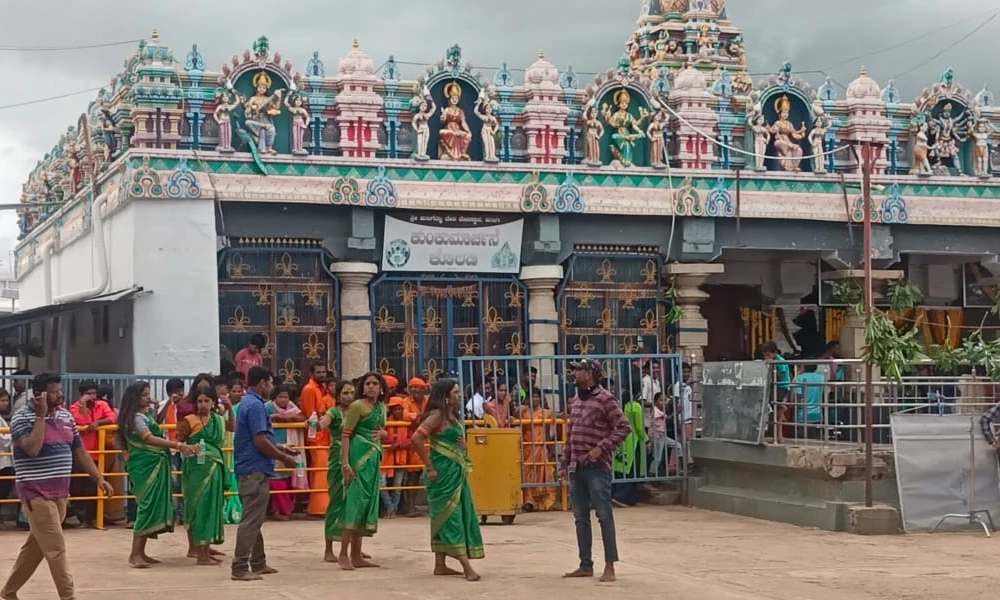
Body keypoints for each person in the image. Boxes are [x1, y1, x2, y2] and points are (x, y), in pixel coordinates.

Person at [2, 372, 113, 600]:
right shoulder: (22, 418)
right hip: (36, 493)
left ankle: (9, 591)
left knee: (36, 547)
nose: (59, 395)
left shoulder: (65, 416)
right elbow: (32, 449)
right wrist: (41, 417)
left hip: (61, 492)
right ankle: (68, 596)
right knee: (55, 548)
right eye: (53, 392)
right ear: (39, 394)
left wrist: (98, 477)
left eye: (59, 390)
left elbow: (79, 450)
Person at [560, 359, 632, 584]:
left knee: (603, 515)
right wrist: (565, 463)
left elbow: (624, 427)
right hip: (577, 467)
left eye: (579, 370)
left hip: (597, 467)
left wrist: (600, 449)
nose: (575, 374)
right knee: (580, 517)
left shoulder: (605, 399)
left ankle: (610, 565)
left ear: (590, 373)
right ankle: (585, 564)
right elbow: (571, 434)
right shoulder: (576, 400)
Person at [410, 378, 484, 582]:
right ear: (445, 396)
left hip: (455, 471)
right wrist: (430, 466)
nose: (459, 396)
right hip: (441, 473)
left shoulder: (453, 416)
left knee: (454, 514)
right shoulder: (436, 416)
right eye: (456, 392)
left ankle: (440, 564)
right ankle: (465, 565)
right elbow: (416, 438)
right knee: (449, 516)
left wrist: (464, 446)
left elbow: (452, 440)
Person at [118, 381, 197, 568]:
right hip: (145, 466)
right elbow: (148, 437)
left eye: (148, 394)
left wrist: (167, 404)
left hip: (153, 463)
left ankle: (141, 552)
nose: (148, 398)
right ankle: (135, 553)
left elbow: (156, 425)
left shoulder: (144, 415)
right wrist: (178, 445)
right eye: (144, 395)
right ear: (135, 398)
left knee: (151, 505)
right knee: (146, 506)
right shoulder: (136, 418)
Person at [231, 367, 298, 582]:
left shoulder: (248, 404)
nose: (271, 387)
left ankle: (258, 562)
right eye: (270, 383)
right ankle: (240, 566)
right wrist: (284, 458)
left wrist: (280, 447)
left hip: (250, 467)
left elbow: (259, 437)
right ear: (262, 383)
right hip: (254, 468)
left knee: (255, 517)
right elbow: (259, 441)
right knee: (251, 519)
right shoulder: (256, 406)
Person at [337, 371, 388, 571]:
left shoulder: (382, 408)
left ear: (381, 388)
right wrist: (346, 463)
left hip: (373, 460)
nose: (371, 387)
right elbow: (346, 435)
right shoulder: (357, 406)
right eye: (367, 383)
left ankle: (357, 555)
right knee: (354, 503)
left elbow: (382, 430)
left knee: (366, 504)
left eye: (375, 383)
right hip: (358, 458)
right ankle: (343, 554)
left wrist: (384, 433)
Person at [177, 387, 233, 565]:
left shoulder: (218, 420)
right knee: (198, 508)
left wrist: (230, 408)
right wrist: (189, 449)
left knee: (211, 507)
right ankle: (199, 553)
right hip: (195, 472)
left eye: (206, 401)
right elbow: (179, 442)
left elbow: (233, 427)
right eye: (199, 401)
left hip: (214, 469)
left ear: (213, 402)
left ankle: (206, 550)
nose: (203, 404)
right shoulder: (189, 421)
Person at [321, 379, 370, 563]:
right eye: (345, 393)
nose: (349, 397)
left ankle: (355, 548)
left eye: (351, 393)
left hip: (356, 457)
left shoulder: (360, 410)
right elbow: (323, 423)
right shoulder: (334, 412)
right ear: (338, 395)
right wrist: (317, 423)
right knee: (337, 501)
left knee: (355, 502)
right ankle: (329, 549)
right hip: (338, 459)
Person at [68, 380, 117, 528]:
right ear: (81, 395)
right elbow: (81, 423)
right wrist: (83, 407)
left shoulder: (102, 405)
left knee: (94, 487)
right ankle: (82, 517)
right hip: (80, 454)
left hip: (98, 454)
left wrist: (98, 423)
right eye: (88, 394)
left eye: (93, 393)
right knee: (78, 487)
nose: (91, 396)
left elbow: (113, 418)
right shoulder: (74, 407)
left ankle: (93, 518)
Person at [265, 385, 307, 520]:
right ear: (274, 397)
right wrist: (276, 416)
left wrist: (288, 418)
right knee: (276, 481)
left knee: (288, 478)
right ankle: (277, 511)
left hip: (290, 447)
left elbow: (302, 417)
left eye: (286, 397)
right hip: (274, 446)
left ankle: (285, 511)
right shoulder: (267, 408)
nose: (283, 400)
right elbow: (264, 419)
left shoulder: (291, 408)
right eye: (280, 397)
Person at [299, 362, 335, 517]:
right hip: (316, 438)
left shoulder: (323, 389)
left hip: (326, 437)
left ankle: (324, 507)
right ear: (311, 373)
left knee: (325, 473)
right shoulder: (309, 389)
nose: (322, 375)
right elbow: (310, 414)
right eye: (318, 372)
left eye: (323, 372)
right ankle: (318, 508)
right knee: (320, 473)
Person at [520, 388, 556, 511]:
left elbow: (549, 432)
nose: (535, 399)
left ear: (540, 398)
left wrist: (550, 448)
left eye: (537, 397)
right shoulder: (524, 414)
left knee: (543, 472)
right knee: (528, 473)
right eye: (532, 397)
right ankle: (529, 501)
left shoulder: (546, 413)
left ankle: (542, 501)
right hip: (528, 448)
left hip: (541, 447)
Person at [401, 377, 429, 516]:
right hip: (414, 444)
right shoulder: (405, 402)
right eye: (412, 387)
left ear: (424, 389)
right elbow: (405, 416)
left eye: (418, 387)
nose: (415, 390)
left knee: (433, 475)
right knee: (413, 476)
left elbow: (433, 414)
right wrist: (420, 416)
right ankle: (411, 508)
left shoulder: (429, 401)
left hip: (429, 443)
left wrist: (419, 418)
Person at [381, 397, 411, 518]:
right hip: (386, 456)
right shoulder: (384, 422)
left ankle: (393, 508)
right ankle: (390, 507)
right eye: (395, 409)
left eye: (400, 409)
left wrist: (398, 444)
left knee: (398, 485)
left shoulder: (407, 423)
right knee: (381, 483)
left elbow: (411, 439)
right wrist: (390, 443)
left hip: (401, 456)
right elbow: (381, 436)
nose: (397, 411)